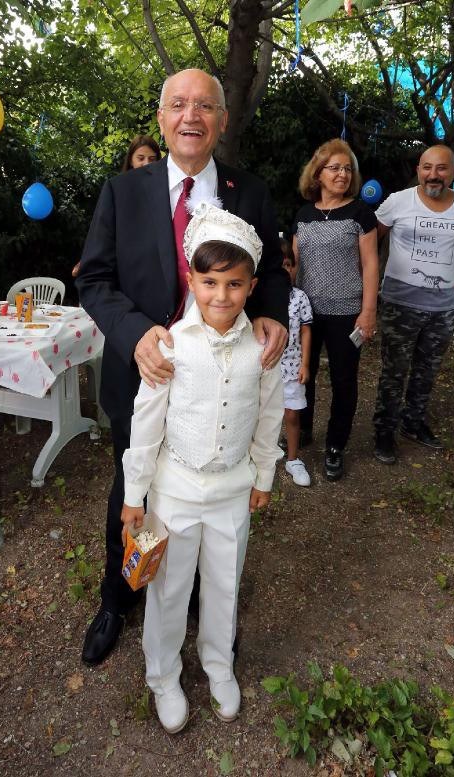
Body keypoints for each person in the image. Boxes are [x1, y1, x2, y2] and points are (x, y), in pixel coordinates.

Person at [76, 68, 290, 667]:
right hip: (146, 374)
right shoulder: (123, 192)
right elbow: (94, 279)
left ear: (222, 119)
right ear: (162, 117)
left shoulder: (250, 191)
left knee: (209, 489)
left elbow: (273, 270)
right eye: (178, 104)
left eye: (204, 106)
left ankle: (202, 597)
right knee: (134, 487)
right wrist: (134, 333)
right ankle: (119, 596)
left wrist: (271, 314)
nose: (190, 116)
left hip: (221, 378)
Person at [120, 203, 283, 733]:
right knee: (169, 588)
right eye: (209, 282)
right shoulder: (169, 345)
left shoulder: (262, 348)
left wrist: (264, 477)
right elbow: (146, 423)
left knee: (224, 582)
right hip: (176, 491)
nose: (221, 296)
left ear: (251, 286)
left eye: (234, 284)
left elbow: (269, 416)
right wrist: (135, 494)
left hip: (232, 490)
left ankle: (219, 664)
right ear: (191, 281)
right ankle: (163, 673)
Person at [373, 144, 454, 463]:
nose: (433, 175)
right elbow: (371, 239)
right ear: (418, 170)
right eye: (427, 167)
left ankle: (413, 422)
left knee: (426, 371)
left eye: (441, 168)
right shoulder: (398, 201)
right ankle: (384, 431)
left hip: (442, 307)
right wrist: (368, 280)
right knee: (394, 371)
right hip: (400, 303)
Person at [293, 139, 379, 481]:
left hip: (346, 311)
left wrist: (368, 310)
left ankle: (335, 446)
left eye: (347, 169)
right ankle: (303, 429)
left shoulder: (360, 214)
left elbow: (370, 265)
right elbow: (294, 263)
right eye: (334, 168)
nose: (342, 174)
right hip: (306, 314)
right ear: (318, 174)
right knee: (303, 374)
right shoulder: (303, 215)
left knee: (344, 380)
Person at [71, 135, 162, 278]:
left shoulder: (165, 191)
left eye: (152, 159)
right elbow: (102, 233)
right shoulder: (116, 191)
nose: (146, 163)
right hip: (122, 265)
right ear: (131, 160)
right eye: (141, 158)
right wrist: (89, 259)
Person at [280, 239, 313, 486]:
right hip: (265, 368)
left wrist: (305, 364)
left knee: (292, 414)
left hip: (292, 366)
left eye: (289, 265)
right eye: (280, 265)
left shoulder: (300, 297)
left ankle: (293, 459)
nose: (286, 270)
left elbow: (305, 331)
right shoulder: (260, 296)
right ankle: (260, 455)